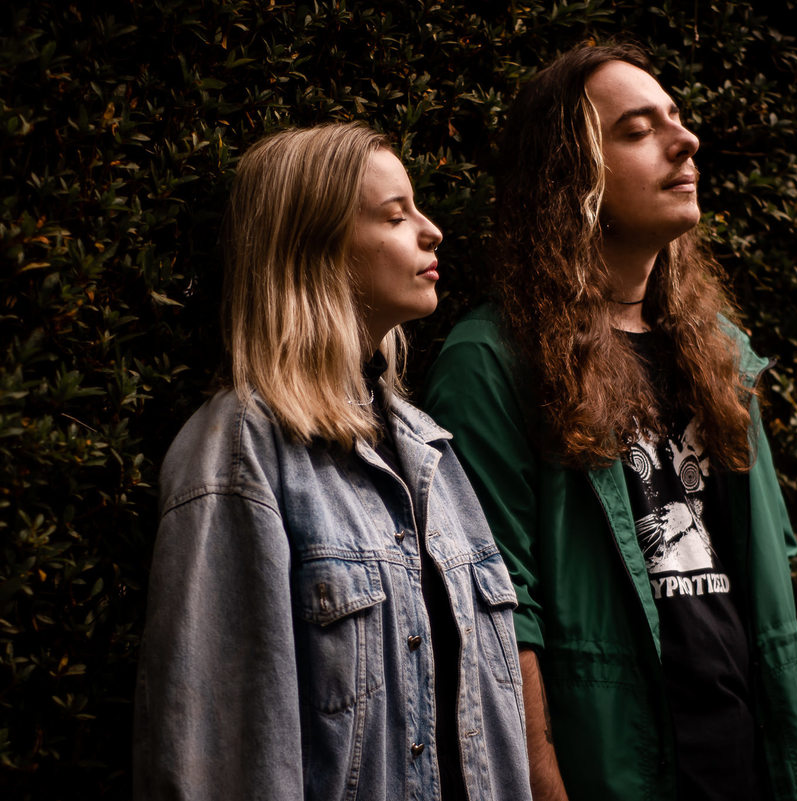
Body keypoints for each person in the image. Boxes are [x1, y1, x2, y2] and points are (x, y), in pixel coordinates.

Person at [423, 44, 797, 801]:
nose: (685, 142)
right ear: (569, 176)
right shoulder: (493, 360)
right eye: (637, 129)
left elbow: (771, 588)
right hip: (616, 772)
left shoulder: (720, 352)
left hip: (750, 768)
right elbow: (499, 610)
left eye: (677, 121)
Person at [133, 122, 532, 801]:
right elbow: (218, 760)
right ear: (313, 247)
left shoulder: (433, 452)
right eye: (395, 214)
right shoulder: (239, 453)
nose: (432, 231)